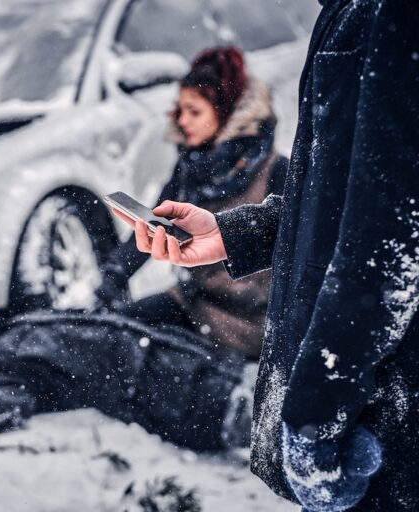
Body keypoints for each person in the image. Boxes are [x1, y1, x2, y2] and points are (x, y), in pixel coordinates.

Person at [120, 1, 419, 510]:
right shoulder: (350, 12)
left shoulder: (390, 16)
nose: (183, 121)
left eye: (196, 110)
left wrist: (314, 418)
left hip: (378, 407)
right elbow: (334, 203)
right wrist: (232, 234)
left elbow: (387, 246)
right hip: (340, 387)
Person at [96, 46, 286, 358]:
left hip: (251, 325)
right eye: (180, 110)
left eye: (194, 111)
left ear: (226, 112)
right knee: (117, 333)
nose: (183, 120)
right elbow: (154, 223)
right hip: (196, 302)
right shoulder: (192, 166)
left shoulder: (277, 172)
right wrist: (114, 275)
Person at [0, 299, 255, 452]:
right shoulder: (1, 367)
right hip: (199, 402)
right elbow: (3, 407)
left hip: (213, 365)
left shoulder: (13, 326)